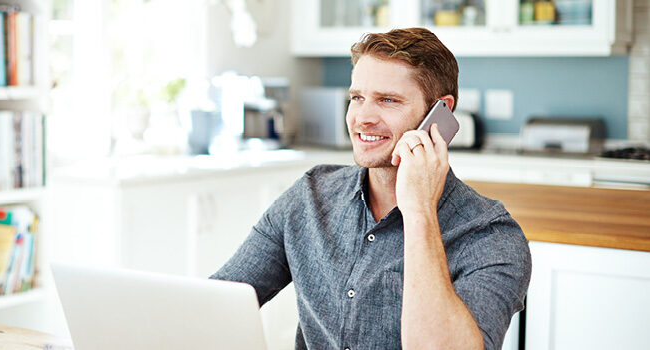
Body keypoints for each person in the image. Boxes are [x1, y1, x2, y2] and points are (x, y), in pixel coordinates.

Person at [210, 28, 532, 350]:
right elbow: (216, 305)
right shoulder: (310, 197)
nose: (362, 118)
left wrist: (419, 211)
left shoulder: (491, 237)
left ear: (441, 112)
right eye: (357, 98)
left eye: (387, 100)